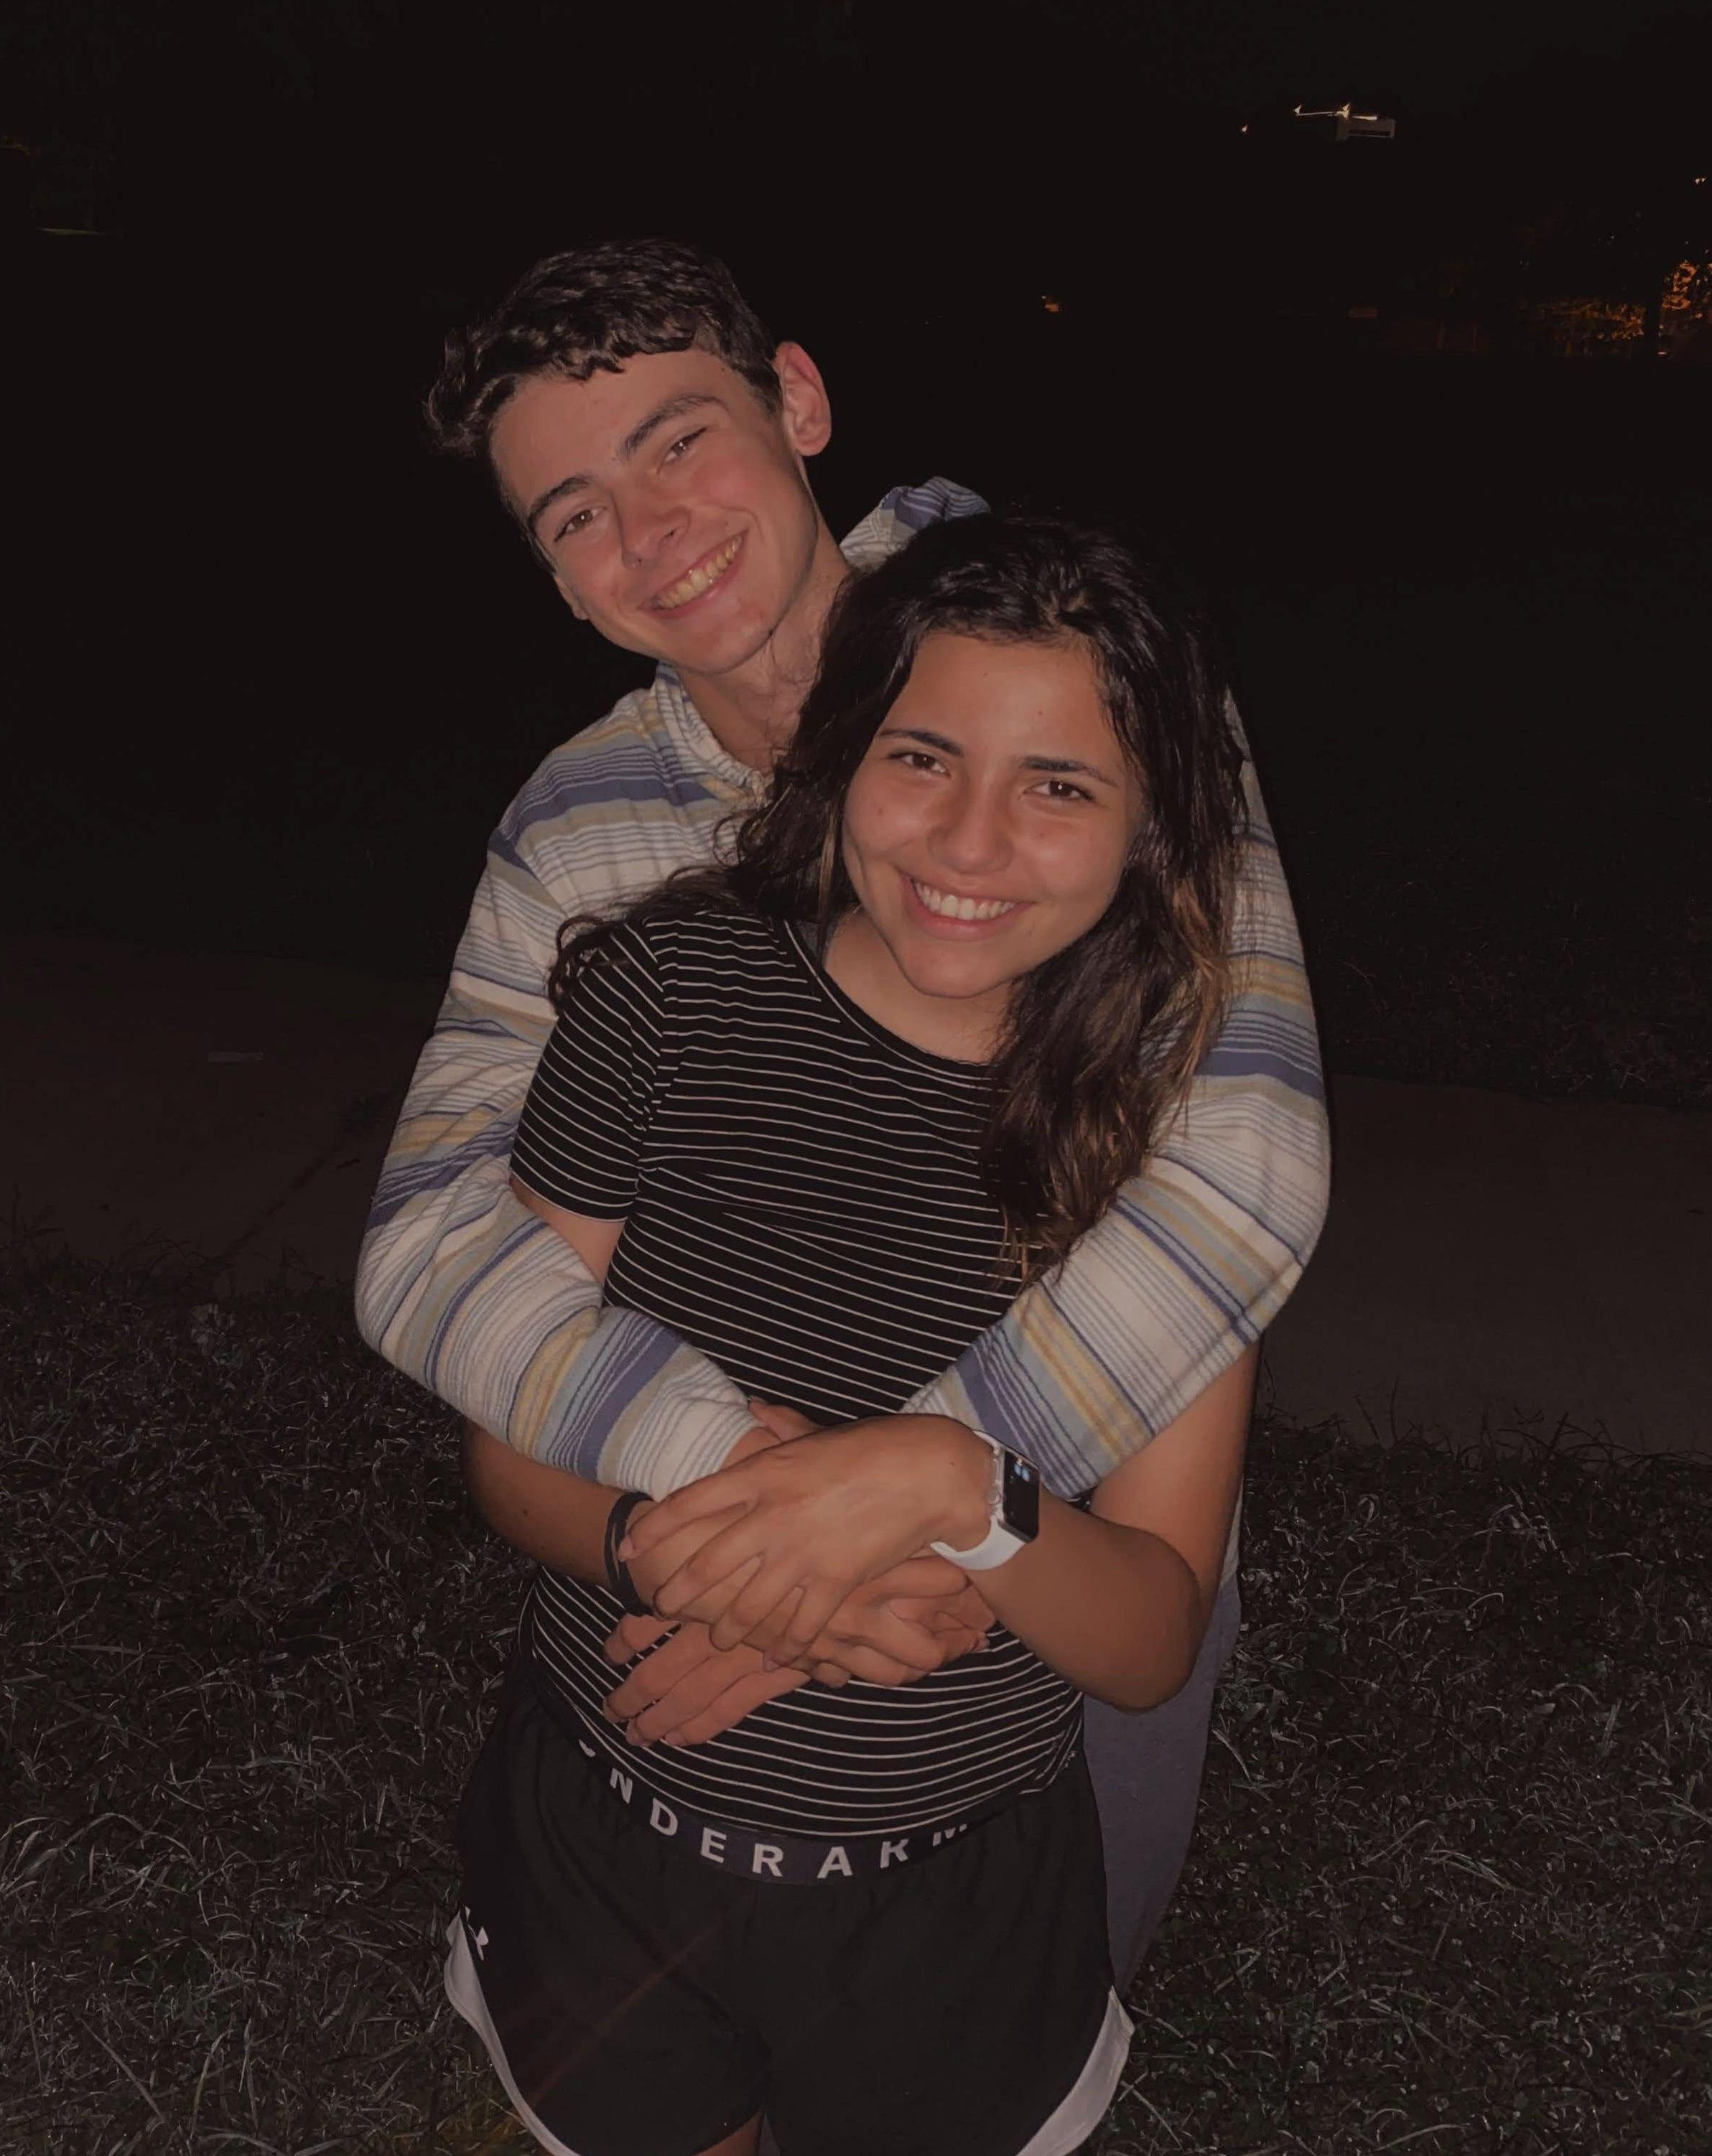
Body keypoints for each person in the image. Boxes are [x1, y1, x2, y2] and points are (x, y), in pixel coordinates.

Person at [355, 238, 1329, 1988]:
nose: (650, 531)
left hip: (1096, 1440)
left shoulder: (1060, 644)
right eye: (574, 513)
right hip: (724, 1475)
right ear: (554, 577)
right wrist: (742, 1495)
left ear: (796, 401)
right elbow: (435, 1240)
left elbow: (1240, 1163)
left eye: (677, 440)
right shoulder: (577, 829)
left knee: (1050, 1932)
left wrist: (889, 1517)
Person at [449, 510, 1263, 2156]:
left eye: (1057, 785)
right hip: (603, 1841)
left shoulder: (1174, 1144)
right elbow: (506, 1441)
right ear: (841, 755)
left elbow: (1145, 1633)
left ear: (1146, 824)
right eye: (922, 756)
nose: (967, 840)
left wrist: (950, 1491)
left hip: (945, 1895)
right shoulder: (659, 994)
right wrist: (721, 1560)